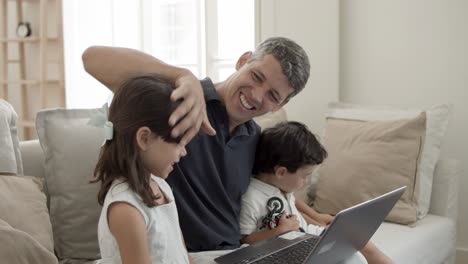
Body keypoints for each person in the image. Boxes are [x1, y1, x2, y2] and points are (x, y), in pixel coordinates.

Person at [82, 37, 368, 263]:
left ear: (280, 106)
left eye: (272, 96)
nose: (256, 95)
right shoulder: (180, 103)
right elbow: (91, 58)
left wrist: (315, 217)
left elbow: (275, 183)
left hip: (241, 252)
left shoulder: (254, 137)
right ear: (243, 61)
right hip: (194, 255)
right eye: (256, 76)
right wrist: (183, 76)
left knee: (350, 257)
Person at [240, 121, 393, 264]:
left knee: (357, 248)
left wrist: (317, 217)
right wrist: (280, 231)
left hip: (305, 236)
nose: (306, 182)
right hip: (284, 246)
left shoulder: (282, 186)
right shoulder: (251, 197)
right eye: (305, 176)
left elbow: (294, 202)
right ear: (281, 172)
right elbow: (244, 240)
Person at [90, 75, 192, 264]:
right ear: (144, 138)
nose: (184, 152)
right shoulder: (125, 209)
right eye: (178, 143)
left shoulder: (161, 185)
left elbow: (182, 254)